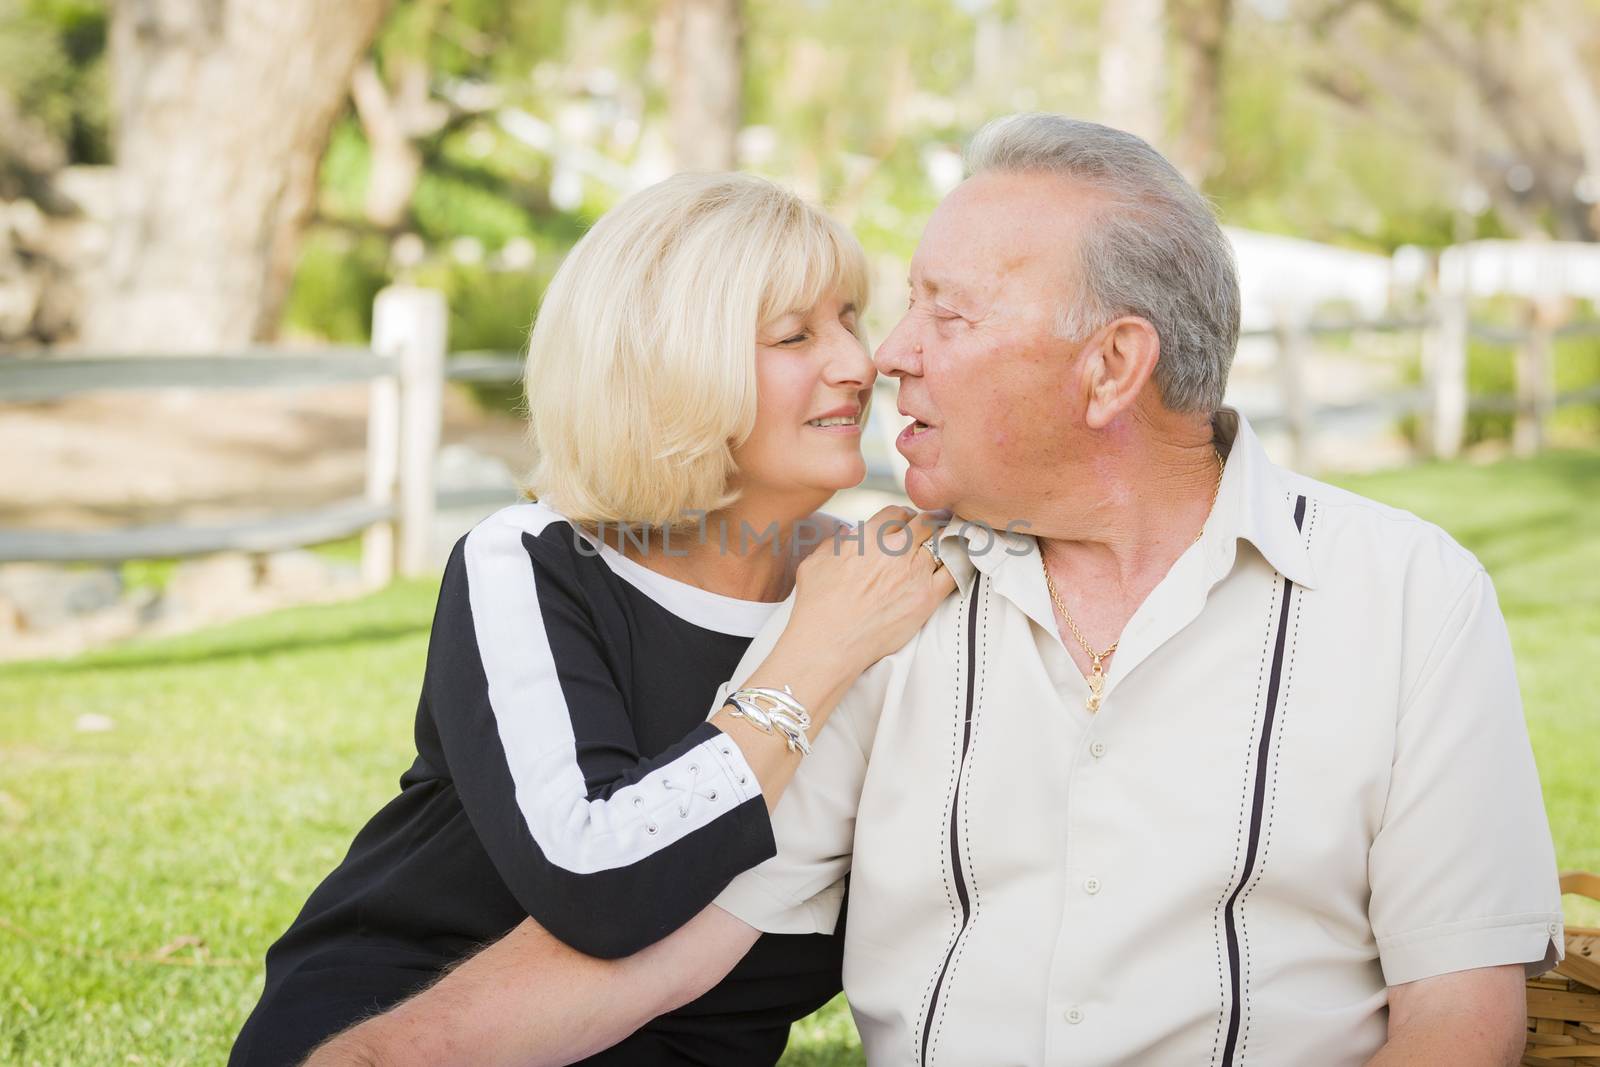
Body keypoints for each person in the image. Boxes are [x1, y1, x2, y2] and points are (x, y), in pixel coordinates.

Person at [307, 115, 1564, 1067]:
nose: (885, 356)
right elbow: (649, 954)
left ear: (1111, 365)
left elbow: (1458, 1014)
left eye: (941, 312)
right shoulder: (879, 599)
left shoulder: (1405, 596)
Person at [229, 171, 954, 1067]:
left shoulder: (884, 579)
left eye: (850, 316)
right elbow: (597, 880)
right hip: (397, 1021)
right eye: (795, 334)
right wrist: (816, 651)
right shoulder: (533, 560)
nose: (858, 361)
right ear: (672, 369)